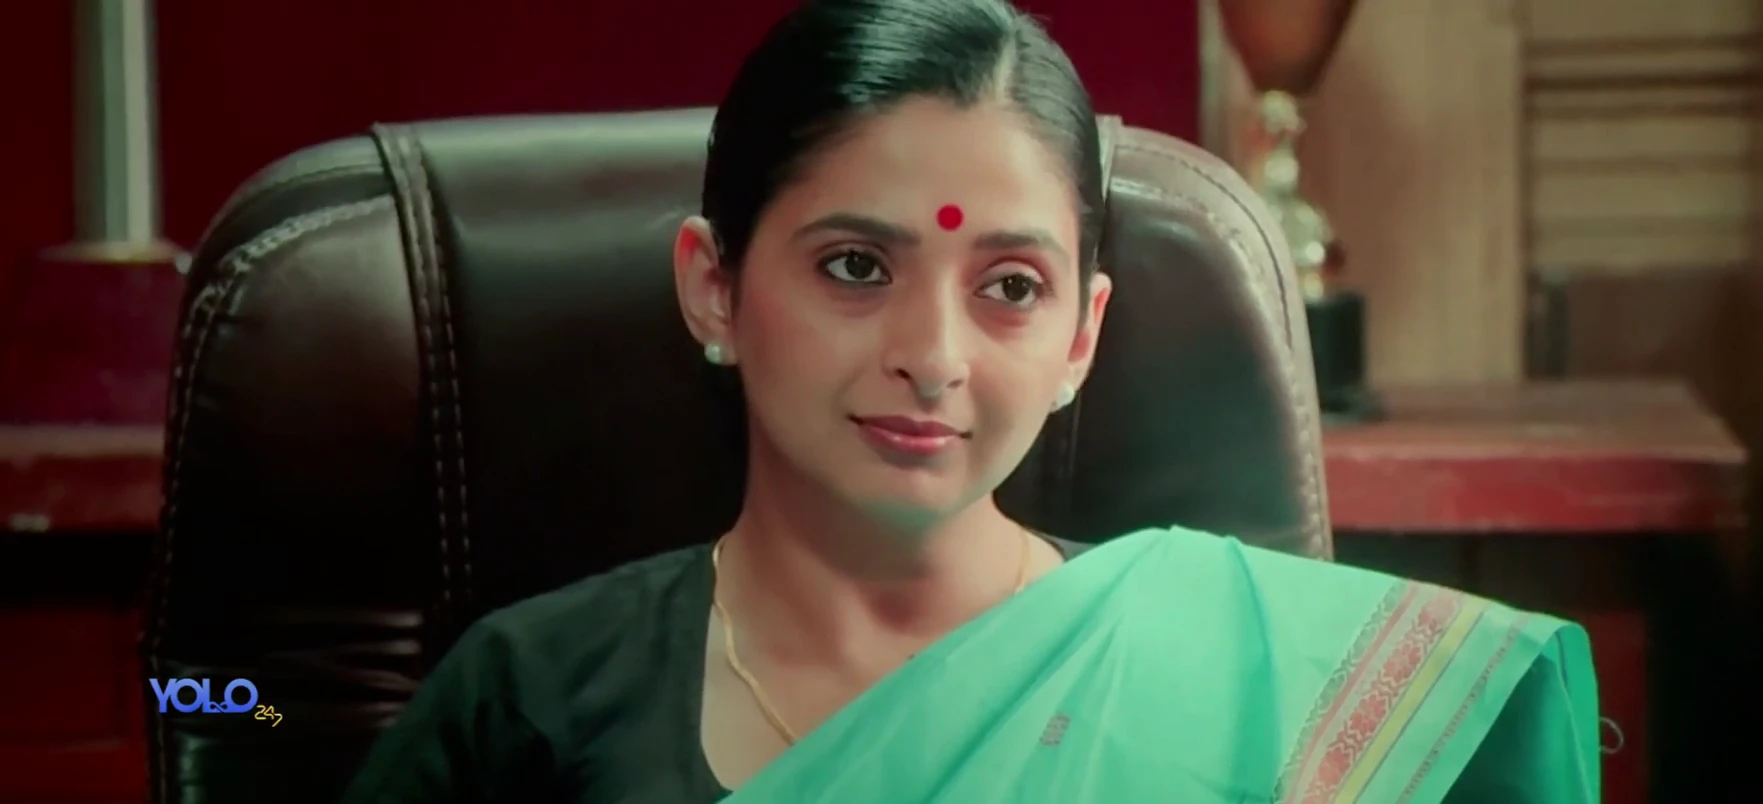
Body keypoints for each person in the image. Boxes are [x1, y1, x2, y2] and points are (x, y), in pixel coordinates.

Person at [341, 0, 1600, 800]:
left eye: (1009, 287)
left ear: (1081, 337)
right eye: (856, 267)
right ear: (713, 287)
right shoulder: (529, 696)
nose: (934, 355)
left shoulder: (1237, 673)